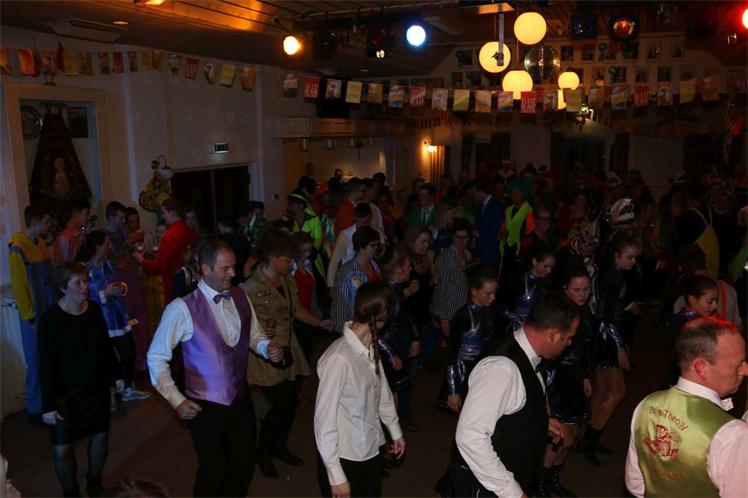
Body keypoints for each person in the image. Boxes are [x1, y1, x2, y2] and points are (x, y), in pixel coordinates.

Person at [147, 240, 279, 497]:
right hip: (204, 407)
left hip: (241, 400)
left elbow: (254, 335)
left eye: (233, 267)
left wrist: (266, 348)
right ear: (205, 269)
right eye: (225, 268)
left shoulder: (240, 295)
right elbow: (155, 358)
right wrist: (176, 400)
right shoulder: (181, 308)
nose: (233, 273)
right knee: (213, 471)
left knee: (243, 464)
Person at [448, 292, 580, 498]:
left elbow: (511, 407)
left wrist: (540, 422)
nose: (569, 344)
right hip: (486, 488)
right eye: (569, 337)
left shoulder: (523, 353)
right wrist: (513, 493)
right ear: (553, 334)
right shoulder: (502, 370)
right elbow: (471, 437)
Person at [242, 228, 334, 478]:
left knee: (290, 403)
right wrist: (260, 331)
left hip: (289, 349)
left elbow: (297, 310)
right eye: (287, 259)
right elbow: (241, 324)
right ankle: (263, 452)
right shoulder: (250, 287)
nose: (291, 263)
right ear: (272, 256)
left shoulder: (286, 280)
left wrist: (319, 322)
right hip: (266, 354)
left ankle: (279, 446)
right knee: (281, 404)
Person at [625, 317, 748, 497]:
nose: (745, 370)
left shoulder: (646, 404)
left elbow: (635, 484)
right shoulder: (732, 434)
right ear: (701, 367)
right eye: (737, 365)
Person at [38, 262, 125, 497]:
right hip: (65, 393)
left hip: (95, 386)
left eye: (85, 281)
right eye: (77, 283)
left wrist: (116, 374)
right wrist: (48, 405)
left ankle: (95, 483)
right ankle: (71, 493)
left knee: (100, 436)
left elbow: (105, 346)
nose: (84, 287)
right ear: (62, 288)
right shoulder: (50, 319)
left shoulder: (94, 309)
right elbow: (45, 364)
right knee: (62, 450)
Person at [315, 281, 405, 498]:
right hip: (346, 457)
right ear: (385, 314)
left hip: (372, 448)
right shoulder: (339, 358)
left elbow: (382, 391)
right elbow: (323, 421)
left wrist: (394, 430)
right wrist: (336, 475)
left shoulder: (370, 344)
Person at [580, 232, 640, 465]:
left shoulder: (613, 274)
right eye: (629, 257)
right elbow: (607, 317)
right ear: (617, 256)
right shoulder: (614, 277)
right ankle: (590, 440)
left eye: (634, 257)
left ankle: (588, 437)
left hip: (603, 338)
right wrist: (619, 346)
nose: (633, 261)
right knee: (617, 392)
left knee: (603, 391)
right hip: (608, 340)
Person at [76, 231, 151, 405]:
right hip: (99, 318)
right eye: (106, 244)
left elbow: (118, 282)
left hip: (117, 315)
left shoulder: (109, 265)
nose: (109, 247)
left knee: (128, 352)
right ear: (97, 247)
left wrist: (121, 288)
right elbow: (82, 295)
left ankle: (127, 388)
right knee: (105, 357)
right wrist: (104, 294)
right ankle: (108, 396)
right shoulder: (84, 269)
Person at [538, 266, 595, 497]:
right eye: (577, 290)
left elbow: (583, 351)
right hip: (557, 382)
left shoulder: (584, 313)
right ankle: (540, 483)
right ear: (565, 290)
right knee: (560, 436)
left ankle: (552, 479)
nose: (582, 294)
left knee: (571, 436)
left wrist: (584, 375)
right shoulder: (559, 316)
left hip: (575, 380)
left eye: (586, 289)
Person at [8, 205, 56, 423]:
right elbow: (20, 287)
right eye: (46, 221)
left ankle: (50, 403)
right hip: (34, 314)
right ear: (35, 222)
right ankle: (35, 408)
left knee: (49, 358)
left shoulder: (42, 244)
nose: (49, 225)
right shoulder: (17, 249)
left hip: (48, 309)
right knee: (35, 359)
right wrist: (30, 315)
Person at [438, 268, 498, 413]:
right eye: (488, 294)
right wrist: (453, 390)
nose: (493, 298)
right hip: (463, 372)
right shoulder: (462, 316)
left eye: (494, 293)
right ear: (474, 291)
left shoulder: (489, 313)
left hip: (480, 371)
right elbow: (451, 354)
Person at [133, 197, 198, 304]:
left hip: (175, 284)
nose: (162, 216)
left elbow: (161, 267)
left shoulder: (170, 235)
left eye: (164, 213)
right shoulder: (189, 230)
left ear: (172, 213)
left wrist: (141, 260)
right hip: (191, 282)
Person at [661, 274, 718, 388]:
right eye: (710, 301)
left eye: (716, 301)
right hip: (683, 383)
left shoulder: (686, 320)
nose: (714, 306)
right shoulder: (688, 325)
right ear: (692, 299)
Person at [331, 226, 382, 334]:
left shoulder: (375, 266)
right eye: (373, 245)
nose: (376, 248)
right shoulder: (346, 272)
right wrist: (345, 334)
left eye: (378, 245)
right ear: (361, 246)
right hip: (355, 329)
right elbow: (341, 307)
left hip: (374, 325)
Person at [326, 202, 385, 286]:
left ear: (370, 218)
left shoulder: (377, 234)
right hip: (349, 279)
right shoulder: (345, 235)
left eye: (365, 222)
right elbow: (334, 262)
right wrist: (331, 285)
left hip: (371, 277)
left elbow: (382, 259)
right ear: (354, 218)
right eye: (359, 222)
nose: (362, 226)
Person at [432, 218, 473, 339]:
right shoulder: (448, 257)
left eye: (465, 237)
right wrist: (444, 319)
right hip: (449, 314)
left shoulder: (467, 254)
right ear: (452, 236)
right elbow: (441, 288)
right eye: (458, 237)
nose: (461, 241)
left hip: (461, 310)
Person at [504, 243, 556, 332]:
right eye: (545, 266)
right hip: (517, 328)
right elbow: (501, 302)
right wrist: (515, 317)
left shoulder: (547, 282)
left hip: (537, 326)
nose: (549, 270)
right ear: (535, 262)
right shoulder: (519, 279)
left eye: (552, 267)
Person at [470, 181, 503, 271]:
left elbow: (495, 230)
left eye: (474, 192)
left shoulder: (495, 205)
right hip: (482, 250)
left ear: (481, 192)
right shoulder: (482, 205)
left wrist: (478, 234)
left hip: (489, 251)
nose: (473, 195)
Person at [52, 199, 91, 264]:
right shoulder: (65, 238)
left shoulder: (81, 234)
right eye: (87, 214)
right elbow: (65, 266)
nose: (89, 217)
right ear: (76, 214)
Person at [216, 217, 251, 285]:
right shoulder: (242, 237)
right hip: (245, 270)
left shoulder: (225, 241)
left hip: (234, 272)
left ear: (221, 225)